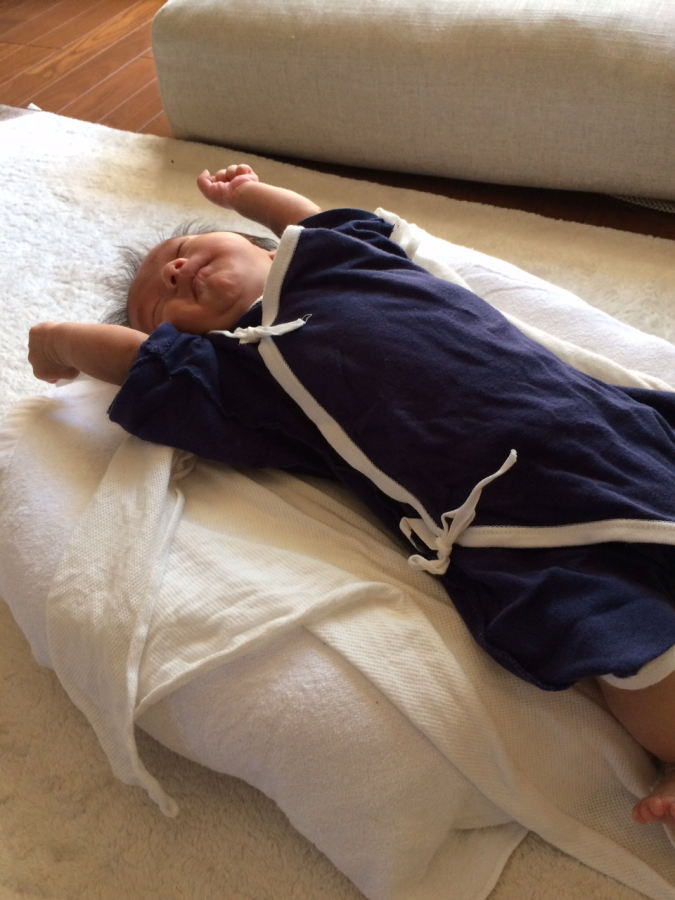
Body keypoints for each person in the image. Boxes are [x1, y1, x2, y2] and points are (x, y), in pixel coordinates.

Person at [27, 165, 675, 827]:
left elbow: (308, 219)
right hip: (507, 522)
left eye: (184, 250)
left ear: (268, 251)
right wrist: (58, 339)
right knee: (617, 636)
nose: (173, 272)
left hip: (602, 430)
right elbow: (141, 365)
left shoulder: (337, 259)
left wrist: (246, 195)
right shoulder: (242, 373)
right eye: (156, 309)